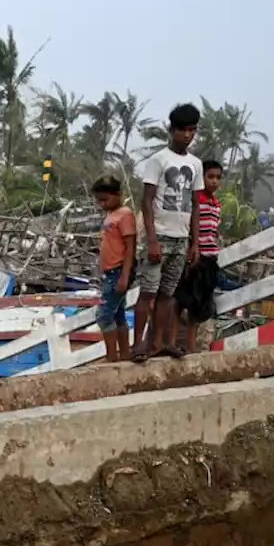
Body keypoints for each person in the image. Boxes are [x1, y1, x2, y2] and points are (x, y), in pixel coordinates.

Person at [133, 104, 204, 362]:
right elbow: (147, 200)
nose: (187, 135)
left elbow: (196, 204)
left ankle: (160, 343)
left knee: (168, 295)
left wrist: (194, 242)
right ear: (172, 130)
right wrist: (151, 238)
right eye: (183, 130)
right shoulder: (158, 160)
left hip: (181, 238)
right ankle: (138, 344)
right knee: (148, 292)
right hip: (160, 236)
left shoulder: (195, 165)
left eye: (192, 130)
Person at [173, 159, 224, 353]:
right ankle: (174, 342)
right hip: (194, 256)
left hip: (210, 258)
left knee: (197, 305)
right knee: (180, 301)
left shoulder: (216, 204)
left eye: (218, 178)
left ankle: (191, 345)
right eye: (210, 176)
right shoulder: (195, 201)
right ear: (201, 178)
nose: (214, 181)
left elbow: (214, 230)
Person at [93, 175, 137, 363]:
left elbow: (130, 247)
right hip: (110, 272)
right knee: (118, 315)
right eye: (99, 200)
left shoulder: (125, 215)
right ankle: (124, 353)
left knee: (103, 317)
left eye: (105, 199)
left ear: (118, 195)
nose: (102, 204)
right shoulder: (111, 215)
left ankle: (112, 357)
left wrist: (125, 276)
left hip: (118, 271)